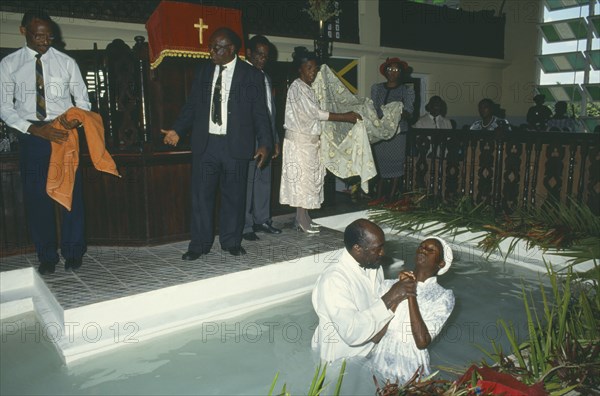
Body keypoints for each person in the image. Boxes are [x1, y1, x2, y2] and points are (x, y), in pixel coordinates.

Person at [161, 27, 272, 258]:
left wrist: (265, 143)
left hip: (236, 145)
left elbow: (260, 113)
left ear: (230, 49)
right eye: (211, 46)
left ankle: (231, 242)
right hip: (206, 144)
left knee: (234, 197)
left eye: (215, 47)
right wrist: (177, 129)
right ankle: (199, 245)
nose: (210, 51)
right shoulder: (203, 71)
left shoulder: (251, 75)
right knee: (201, 197)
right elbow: (192, 105)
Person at [0, 10, 91, 275]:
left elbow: (83, 101)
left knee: (71, 196)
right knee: (37, 197)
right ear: (23, 32)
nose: (45, 41)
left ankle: (73, 252)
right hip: (32, 137)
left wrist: (71, 122)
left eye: (49, 35)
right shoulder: (9, 65)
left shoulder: (66, 62)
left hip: (64, 133)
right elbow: (5, 107)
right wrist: (34, 130)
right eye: (38, 36)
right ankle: (47, 255)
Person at [278, 46, 361, 233]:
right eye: (309, 68)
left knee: (309, 180)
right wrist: (344, 116)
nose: (312, 73)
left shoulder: (308, 89)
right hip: (299, 143)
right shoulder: (296, 87)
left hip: (309, 143)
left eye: (315, 69)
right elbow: (314, 113)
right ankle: (300, 217)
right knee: (301, 180)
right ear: (300, 69)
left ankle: (304, 215)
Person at [312, 219, 417, 362]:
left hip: (369, 350)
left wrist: (398, 286)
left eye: (382, 247)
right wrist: (391, 296)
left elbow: (375, 300)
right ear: (357, 249)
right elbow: (351, 332)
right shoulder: (334, 280)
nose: (382, 253)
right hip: (339, 360)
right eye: (376, 249)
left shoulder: (374, 264)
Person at [371, 236, 455, 383]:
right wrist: (398, 292)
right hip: (380, 357)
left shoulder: (443, 297)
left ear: (441, 263)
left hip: (410, 365)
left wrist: (411, 293)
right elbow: (375, 336)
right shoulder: (388, 285)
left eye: (431, 250)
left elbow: (422, 342)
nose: (423, 250)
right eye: (421, 246)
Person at [242, 35, 281, 242]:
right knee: (247, 182)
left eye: (266, 56)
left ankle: (262, 219)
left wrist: (274, 139)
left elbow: (270, 112)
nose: (262, 59)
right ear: (249, 53)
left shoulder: (265, 77)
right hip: (249, 138)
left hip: (266, 137)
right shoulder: (243, 75)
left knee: (264, 180)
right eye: (259, 54)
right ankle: (246, 225)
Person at [370, 57, 415, 203]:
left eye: (396, 70)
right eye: (390, 69)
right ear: (385, 71)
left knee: (396, 164)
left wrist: (396, 111)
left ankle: (391, 198)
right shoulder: (377, 88)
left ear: (400, 72)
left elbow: (409, 112)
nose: (392, 72)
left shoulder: (406, 90)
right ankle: (378, 196)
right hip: (380, 133)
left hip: (398, 133)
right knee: (379, 163)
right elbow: (373, 109)